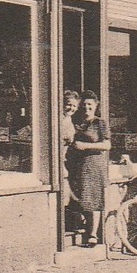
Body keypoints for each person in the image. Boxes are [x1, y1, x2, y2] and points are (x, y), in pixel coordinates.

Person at [66, 90, 110, 247]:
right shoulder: (77, 122)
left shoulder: (99, 123)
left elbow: (107, 145)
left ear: (96, 106)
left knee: (93, 199)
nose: (86, 108)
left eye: (89, 105)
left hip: (94, 165)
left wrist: (85, 146)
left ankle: (92, 234)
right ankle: (83, 227)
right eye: (83, 105)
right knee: (79, 197)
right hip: (78, 165)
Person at [59, 90, 81, 242]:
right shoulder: (60, 119)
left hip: (66, 160)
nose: (71, 108)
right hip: (59, 161)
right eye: (68, 105)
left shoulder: (68, 119)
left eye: (74, 106)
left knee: (69, 193)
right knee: (66, 194)